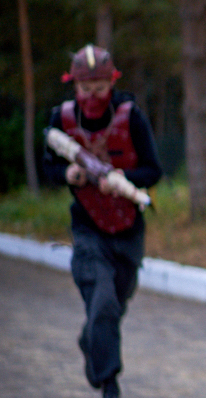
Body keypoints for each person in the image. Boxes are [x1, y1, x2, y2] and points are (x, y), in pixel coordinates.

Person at [43, 45, 163, 398]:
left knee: (115, 305)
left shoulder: (131, 116)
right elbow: (46, 167)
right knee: (103, 300)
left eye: (99, 88)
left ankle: (91, 339)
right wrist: (69, 173)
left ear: (111, 84)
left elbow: (153, 171)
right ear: (74, 86)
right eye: (85, 89)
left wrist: (123, 177)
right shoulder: (60, 121)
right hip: (87, 229)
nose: (92, 96)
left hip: (129, 229)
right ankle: (110, 384)